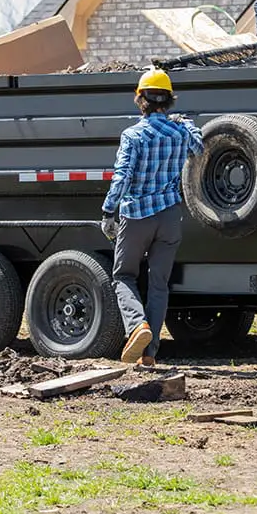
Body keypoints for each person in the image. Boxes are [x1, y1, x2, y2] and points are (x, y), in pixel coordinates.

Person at [101, 67, 204, 366]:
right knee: (159, 284)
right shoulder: (181, 132)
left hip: (137, 216)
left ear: (140, 100)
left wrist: (109, 211)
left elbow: (122, 177)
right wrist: (187, 123)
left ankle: (137, 327)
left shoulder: (132, 135)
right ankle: (150, 353)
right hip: (170, 217)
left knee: (123, 276)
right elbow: (199, 147)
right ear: (169, 100)